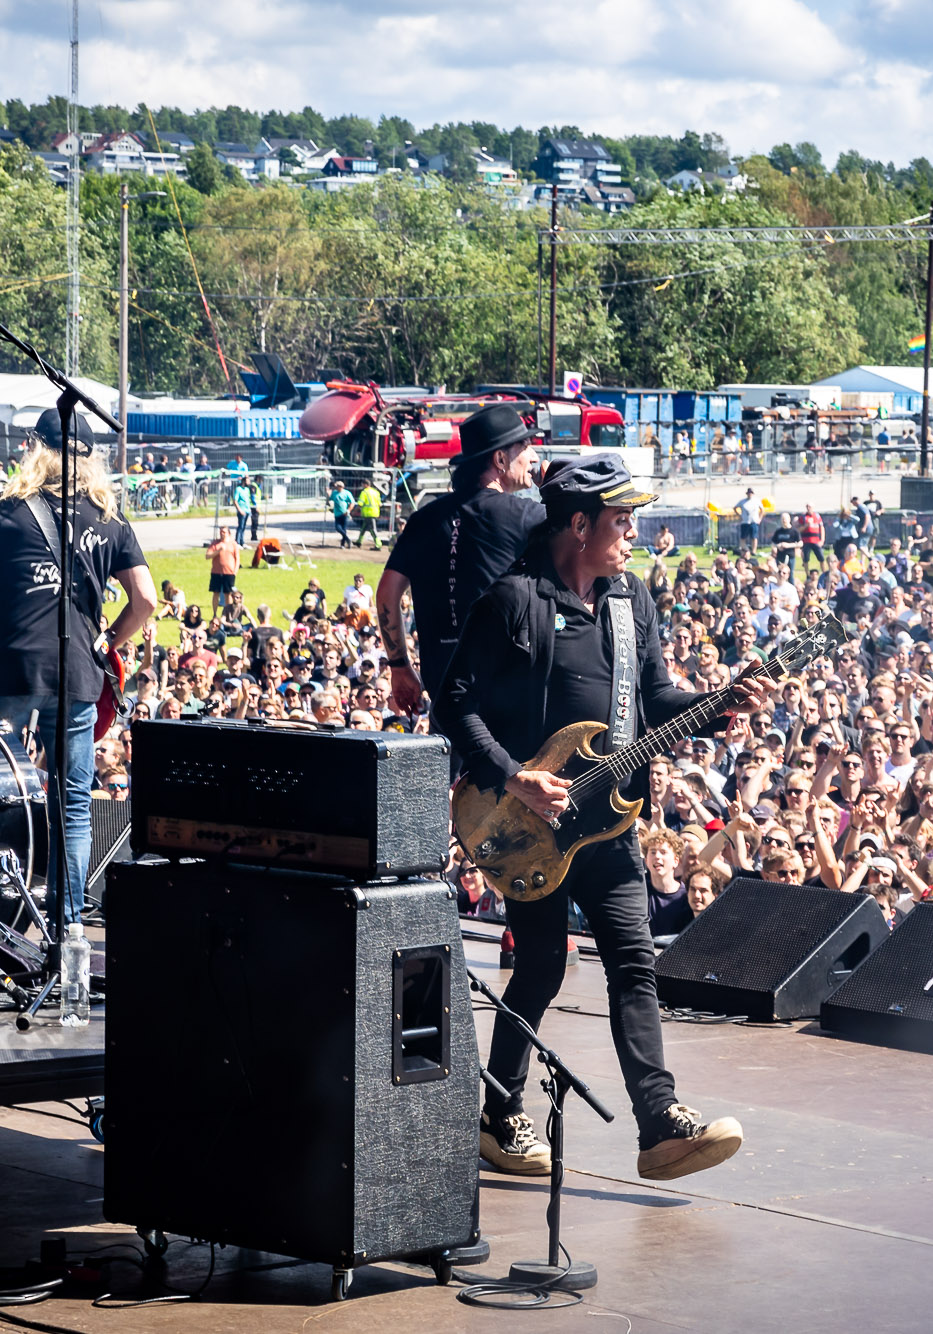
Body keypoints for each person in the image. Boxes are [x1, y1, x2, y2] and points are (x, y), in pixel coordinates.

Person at [441, 453, 760, 1183]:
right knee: (543, 967)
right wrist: (515, 778)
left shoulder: (629, 599)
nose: (633, 533)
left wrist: (722, 705)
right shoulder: (514, 600)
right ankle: (498, 1110)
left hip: (608, 827)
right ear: (577, 524)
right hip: (526, 822)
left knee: (634, 962)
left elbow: (654, 702)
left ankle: (660, 1125)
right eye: (622, 520)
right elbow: (453, 705)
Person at [0, 408, 155, 929]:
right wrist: (108, 641)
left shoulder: (1, 511)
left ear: (34, 450)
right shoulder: (110, 517)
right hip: (78, 675)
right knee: (74, 803)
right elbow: (146, 599)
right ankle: (68, 925)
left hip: (10, 668)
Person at [379, 402, 544, 716]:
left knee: (450, 765)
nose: (534, 456)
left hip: (443, 682)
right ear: (499, 459)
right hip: (506, 688)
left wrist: (399, 666)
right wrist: (555, 493)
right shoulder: (526, 516)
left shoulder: (422, 520)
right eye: (525, 446)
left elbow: (387, 593)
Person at [205, 525, 239, 614]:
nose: (222, 534)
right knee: (215, 593)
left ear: (228, 533)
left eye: (224, 532)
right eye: (220, 532)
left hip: (229, 573)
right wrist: (218, 551)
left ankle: (228, 614)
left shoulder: (233, 544)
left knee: (228, 594)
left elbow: (237, 558)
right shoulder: (215, 543)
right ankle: (215, 614)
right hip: (216, 572)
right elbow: (207, 556)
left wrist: (235, 572)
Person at [355, 475, 383, 549]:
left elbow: (360, 504)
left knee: (373, 530)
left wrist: (355, 511)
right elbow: (380, 504)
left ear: (365, 485)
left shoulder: (364, 492)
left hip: (368, 513)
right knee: (363, 528)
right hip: (375, 512)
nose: (362, 486)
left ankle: (378, 544)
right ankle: (359, 541)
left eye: (362, 484)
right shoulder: (376, 492)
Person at [328, 477, 354, 546]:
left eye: (337, 487)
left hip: (344, 513)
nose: (336, 488)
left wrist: (348, 511)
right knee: (338, 528)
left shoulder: (347, 493)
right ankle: (348, 539)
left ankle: (343, 544)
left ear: (341, 487)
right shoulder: (334, 493)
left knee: (344, 529)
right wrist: (328, 494)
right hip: (337, 513)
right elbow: (329, 500)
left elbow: (352, 503)